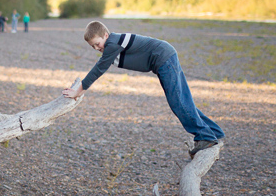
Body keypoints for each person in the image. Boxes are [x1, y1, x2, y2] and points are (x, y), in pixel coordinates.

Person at [62, 21, 224, 158]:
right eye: (93, 47)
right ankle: (215, 133)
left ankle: (206, 137)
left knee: (178, 102)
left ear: (105, 35)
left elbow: (99, 69)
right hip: (164, 58)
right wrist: (80, 90)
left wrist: (79, 90)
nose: (97, 48)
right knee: (183, 100)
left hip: (164, 58)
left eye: (97, 44)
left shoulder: (112, 43)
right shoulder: (112, 46)